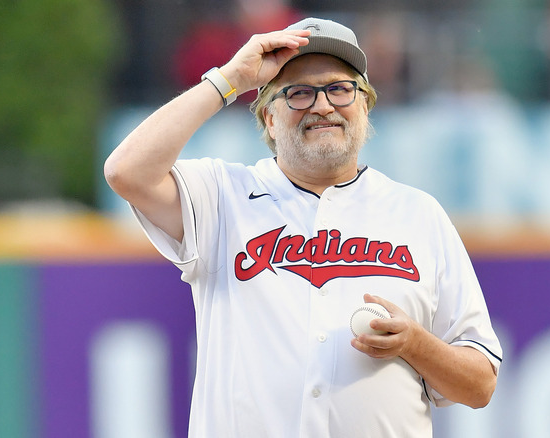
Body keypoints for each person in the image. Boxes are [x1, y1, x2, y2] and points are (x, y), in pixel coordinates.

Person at [104, 17, 502, 437]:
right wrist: (229, 80)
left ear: (364, 106)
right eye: (298, 93)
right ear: (270, 120)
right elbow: (125, 172)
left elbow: (480, 384)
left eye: (340, 88)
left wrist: (416, 344)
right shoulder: (223, 195)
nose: (323, 105)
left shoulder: (419, 214)